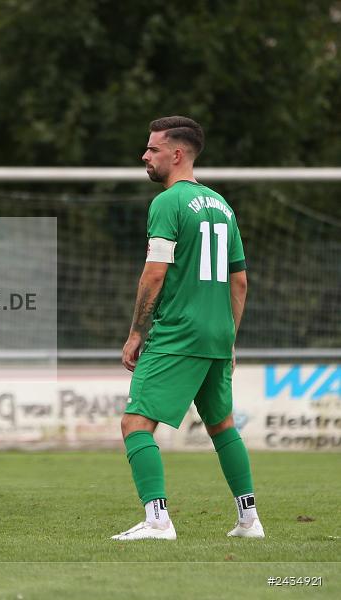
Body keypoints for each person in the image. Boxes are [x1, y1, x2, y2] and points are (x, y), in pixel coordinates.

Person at [112, 116, 262, 541]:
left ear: (176, 155)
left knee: (135, 424)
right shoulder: (222, 205)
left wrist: (137, 331)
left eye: (152, 149)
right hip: (217, 335)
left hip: (178, 332)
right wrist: (229, 335)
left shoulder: (168, 202)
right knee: (222, 424)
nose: (145, 155)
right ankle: (249, 519)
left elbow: (154, 274)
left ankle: (158, 520)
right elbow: (240, 280)